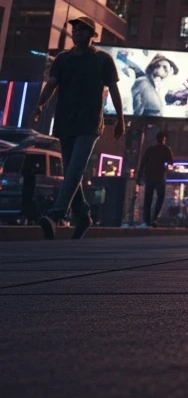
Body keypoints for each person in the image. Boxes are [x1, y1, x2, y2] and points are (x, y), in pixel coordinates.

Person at [32, 16, 124, 240]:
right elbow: (51, 84)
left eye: (84, 31)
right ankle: (83, 215)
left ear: (93, 36)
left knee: (74, 170)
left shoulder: (103, 60)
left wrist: (120, 118)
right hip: (65, 123)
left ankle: (55, 215)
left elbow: (113, 90)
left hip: (90, 124)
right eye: (76, 30)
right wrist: (40, 105)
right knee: (72, 172)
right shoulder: (63, 59)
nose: (78, 33)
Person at [138, 129, 174, 227]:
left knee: (148, 199)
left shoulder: (150, 149)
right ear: (163, 139)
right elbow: (171, 162)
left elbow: (142, 163)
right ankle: (154, 219)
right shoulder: (166, 149)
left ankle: (147, 220)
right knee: (160, 197)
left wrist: (139, 177)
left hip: (149, 176)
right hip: (159, 177)